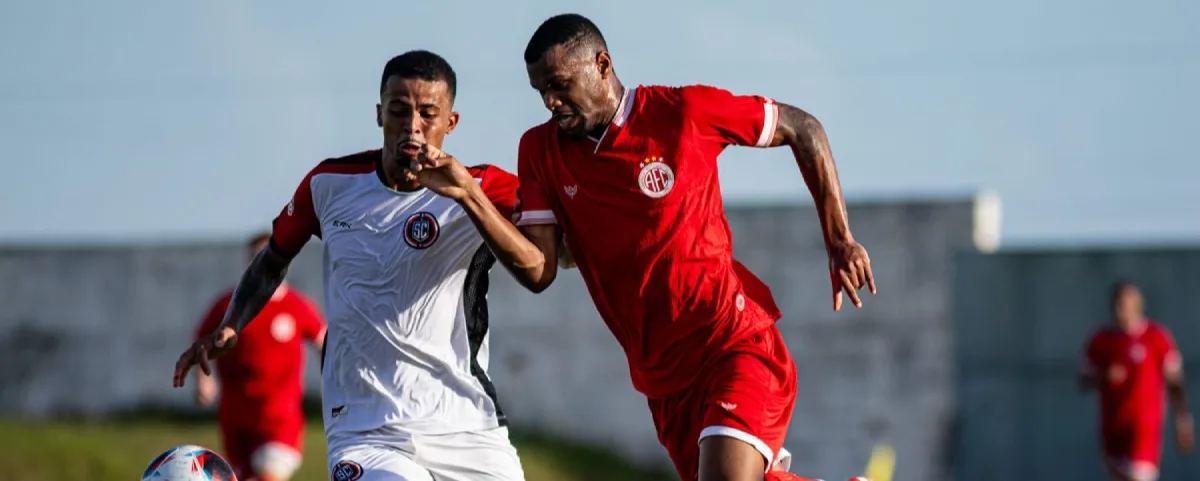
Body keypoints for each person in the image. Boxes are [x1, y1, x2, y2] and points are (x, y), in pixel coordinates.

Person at [406, 13, 875, 481]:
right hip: (664, 383)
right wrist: (468, 193)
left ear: (603, 65)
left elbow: (803, 127)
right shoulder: (540, 151)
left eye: (560, 85)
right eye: (540, 91)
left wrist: (839, 240)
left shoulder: (683, 113)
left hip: (735, 345)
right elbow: (539, 271)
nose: (550, 101)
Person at [173, 50, 528, 481]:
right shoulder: (329, 185)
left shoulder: (485, 186)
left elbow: (546, 260)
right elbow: (272, 261)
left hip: (466, 426)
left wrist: (469, 196)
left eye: (428, 114)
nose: (412, 126)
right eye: (398, 110)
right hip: (365, 428)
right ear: (379, 114)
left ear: (450, 122)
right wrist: (231, 325)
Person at [192, 232, 327, 481]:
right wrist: (203, 379)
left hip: (280, 418)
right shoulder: (228, 307)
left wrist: (337, 378)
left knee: (269, 476)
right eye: (258, 258)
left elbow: (323, 340)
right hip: (236, 417)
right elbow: (202, 343)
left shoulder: (296, 306)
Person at [1080, 281, 1194, 481]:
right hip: (1113, 427)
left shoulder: (1156, 337)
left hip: (1144, 427)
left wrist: (1183, 421)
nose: (1119, 310)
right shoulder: (1102, 340)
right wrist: (1104, 376)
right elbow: (1084, 380)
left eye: (1124, 304)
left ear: (1137, 305)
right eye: (1117, 304)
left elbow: (1175, 381)